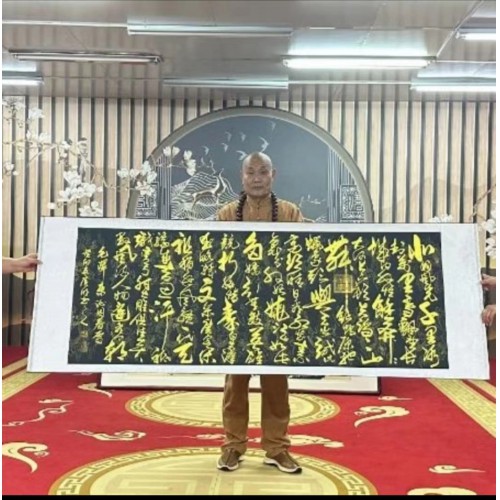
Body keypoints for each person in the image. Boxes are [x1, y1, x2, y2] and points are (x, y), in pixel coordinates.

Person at [216, 152, 303, 474]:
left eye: (262, 172)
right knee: (235, 383)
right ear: (242, 177)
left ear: (273, 175)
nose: (256, 178)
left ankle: (277, 447)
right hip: (238, 312)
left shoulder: (290, 213)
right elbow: (217, 260)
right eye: (250, 172)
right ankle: (233, 446)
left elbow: (303, 256)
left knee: (276, 382)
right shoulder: (226, 214)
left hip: (275, 312)